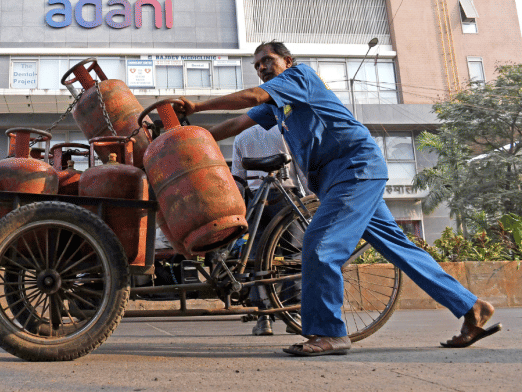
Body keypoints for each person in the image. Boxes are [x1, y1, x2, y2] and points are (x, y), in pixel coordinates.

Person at [175, 40, 501, 356]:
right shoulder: (278, 104)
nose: (261, 68)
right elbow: (237, 123)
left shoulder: (300, 77)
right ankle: (472, 308)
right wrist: (183, 134)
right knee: (401, 250)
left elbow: (254, 95)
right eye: (257, 65)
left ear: (287, 62)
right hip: (340, 178)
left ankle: (329, 333)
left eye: (267, 61)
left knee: (320, 245)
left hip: (353, 168)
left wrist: (198, 105)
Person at [232, 124, 301, 336]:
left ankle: (264, 318)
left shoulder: (241, 136)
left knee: (256, 257)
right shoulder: (286, 131)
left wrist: (240, 210)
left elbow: (238, 178)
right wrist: (309, 197)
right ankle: (294, 314)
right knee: (295, 255)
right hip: (286, 195)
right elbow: (300, 169)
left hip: (256, 198)